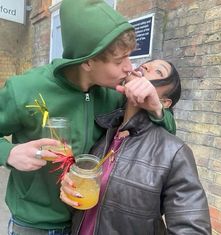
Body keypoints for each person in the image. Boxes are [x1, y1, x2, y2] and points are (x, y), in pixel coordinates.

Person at [0, 1, 176, 234]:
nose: (129, 67)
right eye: (118, 60)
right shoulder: (23, 89)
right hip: (34, 224)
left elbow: (167, 133)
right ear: (88, 61)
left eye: (129, 56)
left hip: (86, 222)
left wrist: (156, 107)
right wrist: (9, 153)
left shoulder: (114, 94)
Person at [60, 59, 212, 235]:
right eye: (148, 64)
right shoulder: (104, 135)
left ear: (164, 102)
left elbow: (194, 230)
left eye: (159, 72)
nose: (146, 67)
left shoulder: (174, 152)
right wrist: (70, 187)